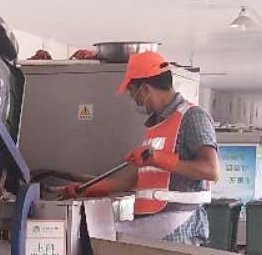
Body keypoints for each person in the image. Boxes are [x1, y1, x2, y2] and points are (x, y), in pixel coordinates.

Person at [55, 51, 220, 243]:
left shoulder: (192, 117)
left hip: (179, 229)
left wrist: (158, 158)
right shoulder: (157, 124)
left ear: (145, 89)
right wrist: (87, 189)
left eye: (133, 93)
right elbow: (133, 179)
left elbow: (211, 170)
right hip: (152, 226)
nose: (135, 100)